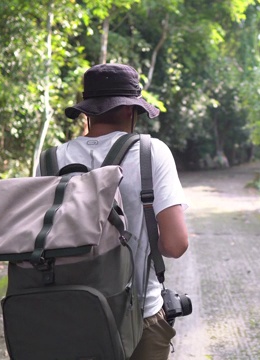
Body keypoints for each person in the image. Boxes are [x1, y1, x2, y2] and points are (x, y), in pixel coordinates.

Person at [40, 63, 189, 360]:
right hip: (137, 315)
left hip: (67, 313)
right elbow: (175, 245)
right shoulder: (151, 153)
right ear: (129, 111)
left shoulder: (51, 160)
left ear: (87, 112)